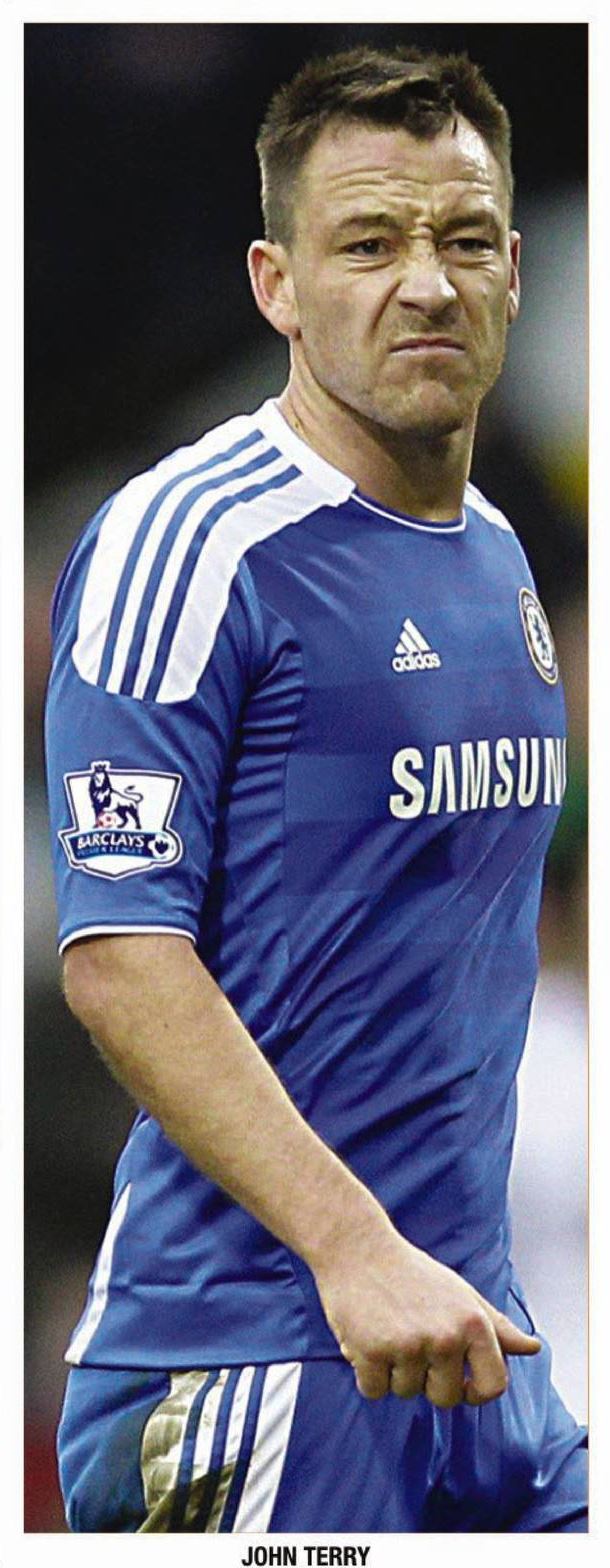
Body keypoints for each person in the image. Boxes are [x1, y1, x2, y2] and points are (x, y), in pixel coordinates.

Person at [45, 44, 587, 1533]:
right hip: (257, 1364)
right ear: (276, 285)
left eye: (462, 238)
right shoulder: (187, 541)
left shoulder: (496, 555)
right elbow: (120, 954)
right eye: (367, 244)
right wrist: (352, 1250)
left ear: (514, 271)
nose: (425, 283)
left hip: (476, 1353)